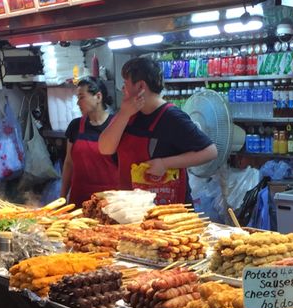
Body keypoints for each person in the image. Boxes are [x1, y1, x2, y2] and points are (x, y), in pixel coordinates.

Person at [98, 57, 217, 204]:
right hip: (132, 206)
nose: (123, 89)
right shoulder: (128, 113)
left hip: (168, 210)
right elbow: (105, 148)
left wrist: (165, 163)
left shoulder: (172, 117)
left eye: (125, 83)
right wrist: (123, 114)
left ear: (141, 86)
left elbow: (210, 151)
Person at [60, 76, 119, 206]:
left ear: (98, 97)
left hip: (110, 202)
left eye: (81, 97)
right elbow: (69, 164)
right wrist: (62, 198)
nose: (78, 103)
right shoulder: (75, 126)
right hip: (79, 200)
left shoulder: (117, 126)